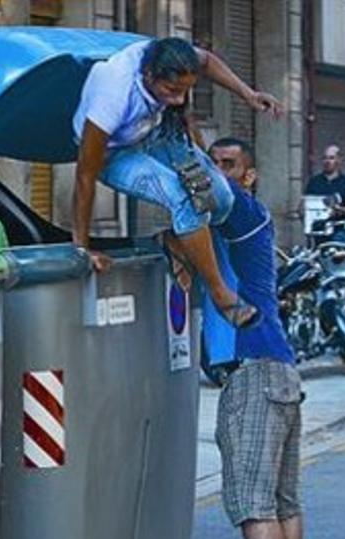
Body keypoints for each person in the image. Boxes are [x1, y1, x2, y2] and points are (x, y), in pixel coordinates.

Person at [72, 37, 283, 328]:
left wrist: (248, 94)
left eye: (185, 91)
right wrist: (81, 249)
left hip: (154, 134)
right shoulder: (112, 92)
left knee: (220, 197)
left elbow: (207, 60)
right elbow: (85, 174)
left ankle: (175, 241)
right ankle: (222, 295)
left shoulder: (168, 55)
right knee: (182, 197)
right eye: (171, 90)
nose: (179, 100)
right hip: (114, 154)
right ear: (148, 75)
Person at [205, 137, 305, 539]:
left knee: (251, 498)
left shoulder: (243, 213)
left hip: (256, 371)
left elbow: (196, 204)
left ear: (249, 177)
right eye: (214, 162)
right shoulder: (225, 225)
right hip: (278, 368)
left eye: (229, 164)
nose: (218, 171)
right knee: (282, 500)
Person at [305, 144, 345, 218]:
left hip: (338, 226)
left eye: (331, 158)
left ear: (339, 160)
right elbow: (305, 203)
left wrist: (340, 210)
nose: (327, 161)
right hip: (317, 226)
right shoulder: (314, 182)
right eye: (325, 158)